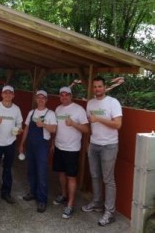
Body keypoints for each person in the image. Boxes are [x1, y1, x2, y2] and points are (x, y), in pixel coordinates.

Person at [81, 76, 122, 226]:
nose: (97, 89)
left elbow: (118, 124)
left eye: (100, 86)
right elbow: (90, 126)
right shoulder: (90, 103)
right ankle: (97, 203)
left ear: (105, 87)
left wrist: (99, 119)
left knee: (108, 179)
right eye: (95, 87)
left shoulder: (113, 102)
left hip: (109, 146)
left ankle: (110, 212)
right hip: (94, 145)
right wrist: (88, 144)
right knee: (95, 176)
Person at [52, 86, 89, 219]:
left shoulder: (79, 110)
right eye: (61, 95)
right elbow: (56, 129)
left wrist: (74, 123)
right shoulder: (58, 109)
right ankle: (63, 195)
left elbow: (86, 129)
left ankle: (70, 204)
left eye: (66, 95)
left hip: (72, 149)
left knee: (71, 177)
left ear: (71, 96)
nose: (64, 97)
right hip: (58, 147)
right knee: (61, 173)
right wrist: (52, 144)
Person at [18, 90, 56, 213]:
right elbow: (27, 128)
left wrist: (44, 125)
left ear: (46, 100)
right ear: (36, 99)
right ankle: (33, 193)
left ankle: (42, 200)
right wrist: (22, 143)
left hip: (42, 146)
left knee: (41, 173)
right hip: (31, 145)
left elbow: (54, 129)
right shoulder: (31, 112)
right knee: (31, 171)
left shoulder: (50, 113)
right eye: (38, 97)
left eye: (43, 98)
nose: (40, 99)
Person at [0, 85, 23, 205]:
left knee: (7, 169)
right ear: (2, 94)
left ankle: (6, 193)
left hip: (10, 143)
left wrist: (19, 130)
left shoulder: (16, 109)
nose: (7, 95)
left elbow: (20, 124)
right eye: (5, 93)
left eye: (10, 93)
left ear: (13, 95)